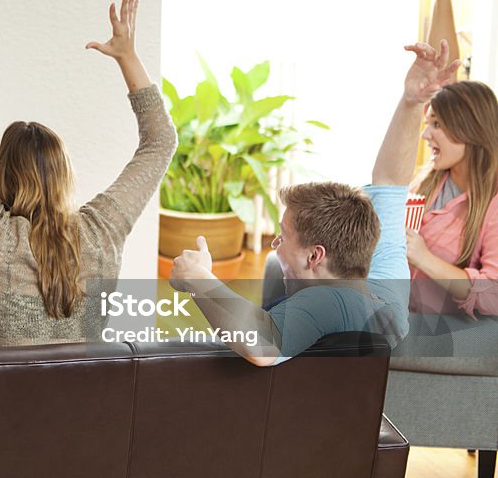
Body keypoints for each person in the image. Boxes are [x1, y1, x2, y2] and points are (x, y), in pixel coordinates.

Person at [0, 0, 176, 347]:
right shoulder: (103, 230)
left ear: (1, 175)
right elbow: (161, 141)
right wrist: (128, 57)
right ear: (65, 175)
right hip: (88, 398)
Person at [169, 40, 460, 366]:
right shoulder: (387, 289)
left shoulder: (327, 301)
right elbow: (391, 182)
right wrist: (412, 102)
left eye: (282, 236)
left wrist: (197, 277)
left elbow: (262, 347)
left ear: (315, 254)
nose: (276, 245)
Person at [401, 0, 498, 349]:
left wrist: (423, 257)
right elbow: (442, 73)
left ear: (470, 131)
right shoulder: (431, 179)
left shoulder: (491, 204)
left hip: (433, 337)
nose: (426, 134)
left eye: (437, 124)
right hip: (396, 314)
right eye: (429, 121)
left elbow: (493, 293)